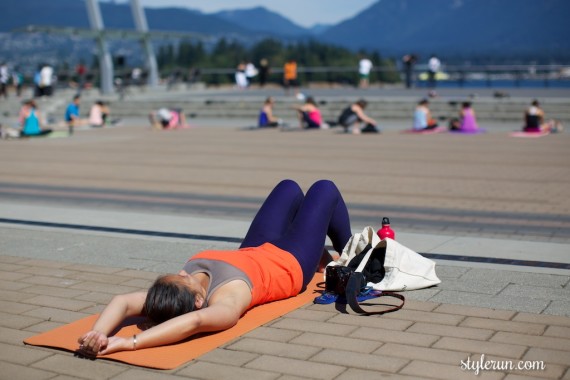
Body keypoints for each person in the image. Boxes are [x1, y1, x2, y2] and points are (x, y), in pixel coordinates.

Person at [77, 179, 352, 356]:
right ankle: (353, 255)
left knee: (289, 188)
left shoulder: (169, 296)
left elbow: (122, 302)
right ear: (198, 301)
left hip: (253, 248)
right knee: (324, 189)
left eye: (178, 274)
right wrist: (129, 343)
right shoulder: (226, 300)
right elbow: (194, 323)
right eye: (183, 279)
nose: (183, 272)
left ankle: (322, 255)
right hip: (290, 260)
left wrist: (98, 333)